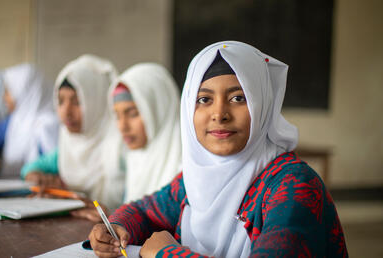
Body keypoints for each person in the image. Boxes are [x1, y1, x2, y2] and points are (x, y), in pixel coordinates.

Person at [88, 41, 347, 257]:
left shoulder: (294, 186)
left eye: (238, 98)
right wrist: (116, 227)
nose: (219, 114)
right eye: (204, 99)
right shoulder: (196, 179)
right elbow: (146, 210)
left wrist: (166, 254)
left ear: (262, 105)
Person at [21, 55, 125, 220]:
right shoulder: (69, 144)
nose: (66, 111)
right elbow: (30, 168)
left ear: (98, 103)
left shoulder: (121, 146)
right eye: (61, 101)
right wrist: (37, 177)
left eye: (77, 102)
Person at [0, 64, 59, 178]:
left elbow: (50, 169)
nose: (4, 97)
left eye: (8, 91)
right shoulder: (18, 119)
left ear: (23, 92)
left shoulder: (48, 125)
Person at [110, 63, 181, 203]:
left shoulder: (185, 170)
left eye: (133, 113)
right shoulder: (135, 158)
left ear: (159, 109)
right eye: (117, 116)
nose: (122, 127)